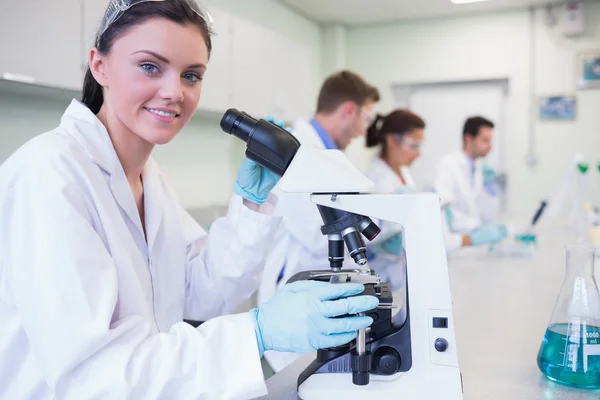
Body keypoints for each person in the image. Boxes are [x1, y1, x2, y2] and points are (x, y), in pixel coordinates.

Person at [0, 1, 379, 399]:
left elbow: (198, 290)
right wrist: (257, 332)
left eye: (191, 75)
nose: (173, 92)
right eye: (150, 66)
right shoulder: (49, 176)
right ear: (100, 66)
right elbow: (95, 377)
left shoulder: (151, 178)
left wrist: (252, 204)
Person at [256, 70, 380, 373]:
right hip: (294, 300)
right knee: (296, 380)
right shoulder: (299, 152)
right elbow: (316, 232)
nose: (363, 131)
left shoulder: (325, 155)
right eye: (365, 118)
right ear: (349, 110)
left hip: (317, 298)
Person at [365, 110, 509, 254]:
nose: (419, 153)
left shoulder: (404, 173)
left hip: (408, 262)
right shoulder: (374, 181)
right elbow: (372, 238)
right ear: (391, 141)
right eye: (414, 146)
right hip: (386, 268)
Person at [432, 116, 507, 244]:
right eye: (485, 140)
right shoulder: (448, 164)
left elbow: (482, 211)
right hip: (453, 242)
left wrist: (491, 193)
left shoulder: (478, 168)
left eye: (490, 141)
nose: (490, 147)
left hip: (471, 242)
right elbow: (445, 210)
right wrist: (476, 228)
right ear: (468, 138)